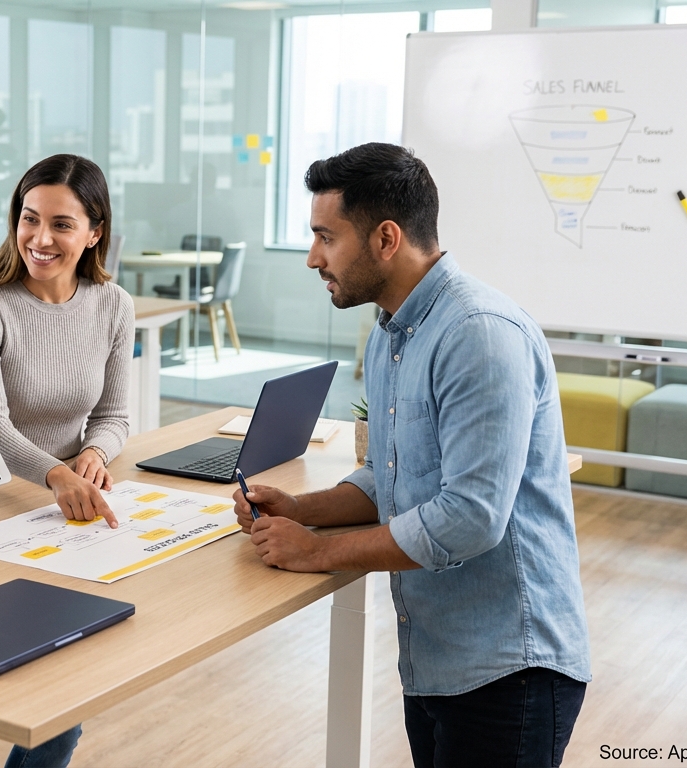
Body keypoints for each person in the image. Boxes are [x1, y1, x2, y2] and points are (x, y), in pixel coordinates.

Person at [231, 143, 590, 768]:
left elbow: (470, 516)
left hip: (510, 667)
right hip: (436, 659)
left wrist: (318, 551)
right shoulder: (391, 333)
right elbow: (392, 475)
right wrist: (303, 507)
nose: (314, 258)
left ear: (386, 239)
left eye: (325, 237)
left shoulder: (478, 334)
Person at [0, 154, 132, 767]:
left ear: (94, 231)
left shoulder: (112, 304)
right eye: (29, 219)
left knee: (61, 694)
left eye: (61, 224)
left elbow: (113, 414)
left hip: (65, 513)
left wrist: (96, 454)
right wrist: (56, 473)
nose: (40, 239)